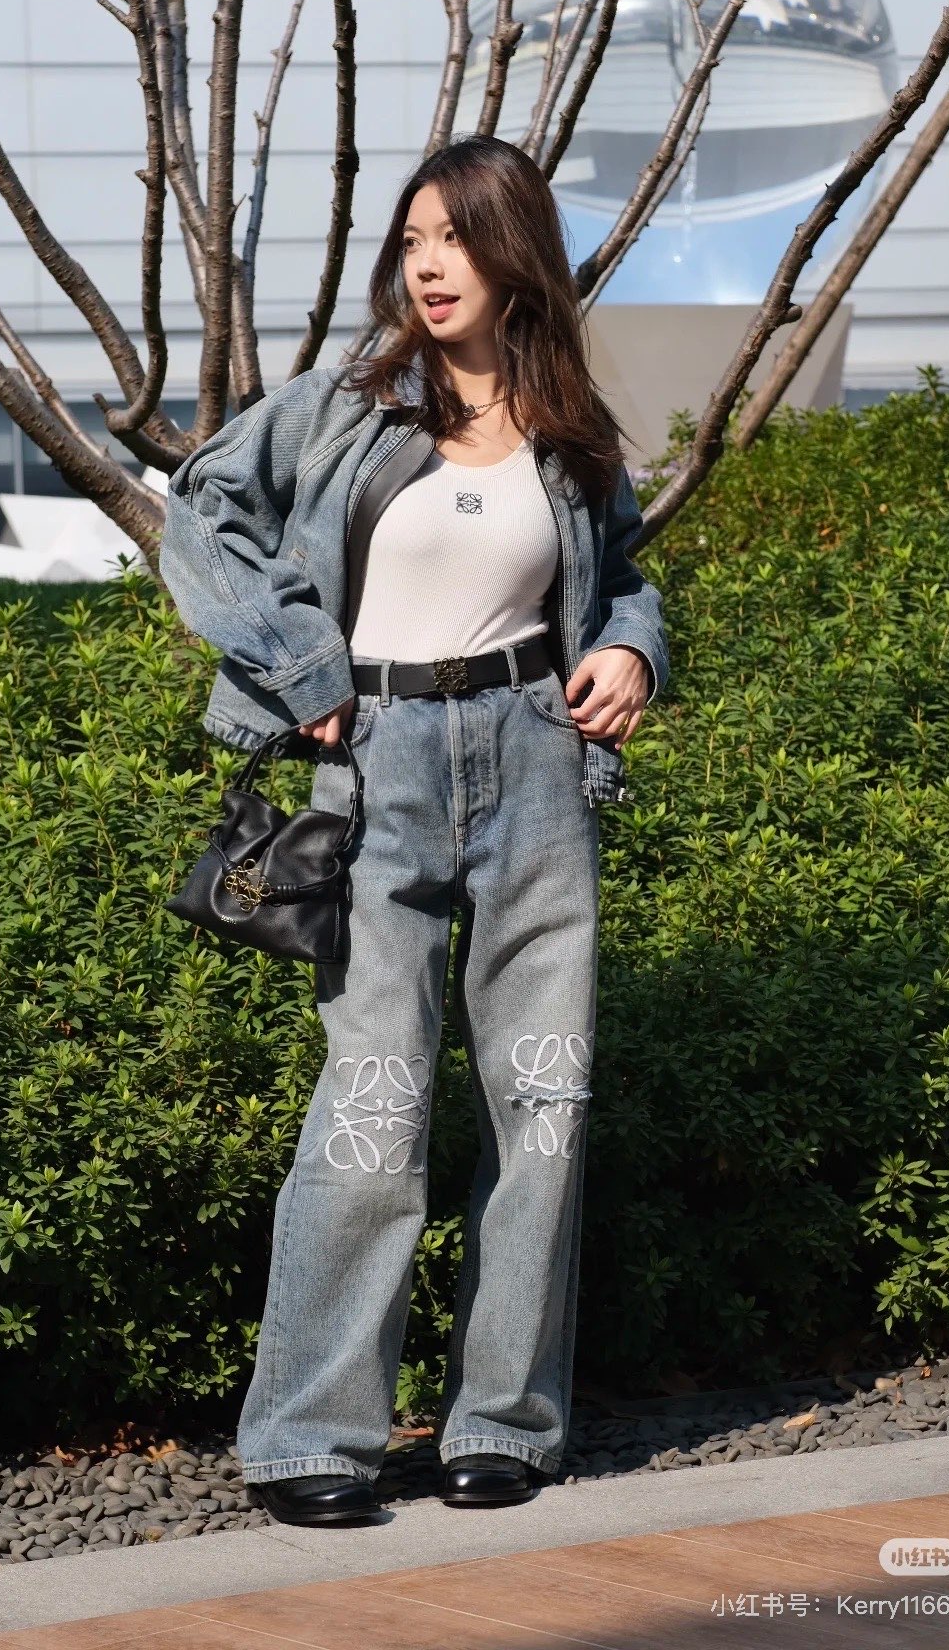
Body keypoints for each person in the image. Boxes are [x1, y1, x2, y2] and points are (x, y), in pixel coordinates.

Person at [159, 134, 669, 1528]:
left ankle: (503, 1422)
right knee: (374, 1105)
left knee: (543, 1105)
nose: (430, 265)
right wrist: (298, 666)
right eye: (413, 240)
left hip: (538, 763)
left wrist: (632, 649)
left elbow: (621, 576)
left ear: (517, 253)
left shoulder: (568, 428)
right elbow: (201, 508)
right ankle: (310, 1438)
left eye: (457, 238)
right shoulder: (347, 406)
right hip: (374, 764)